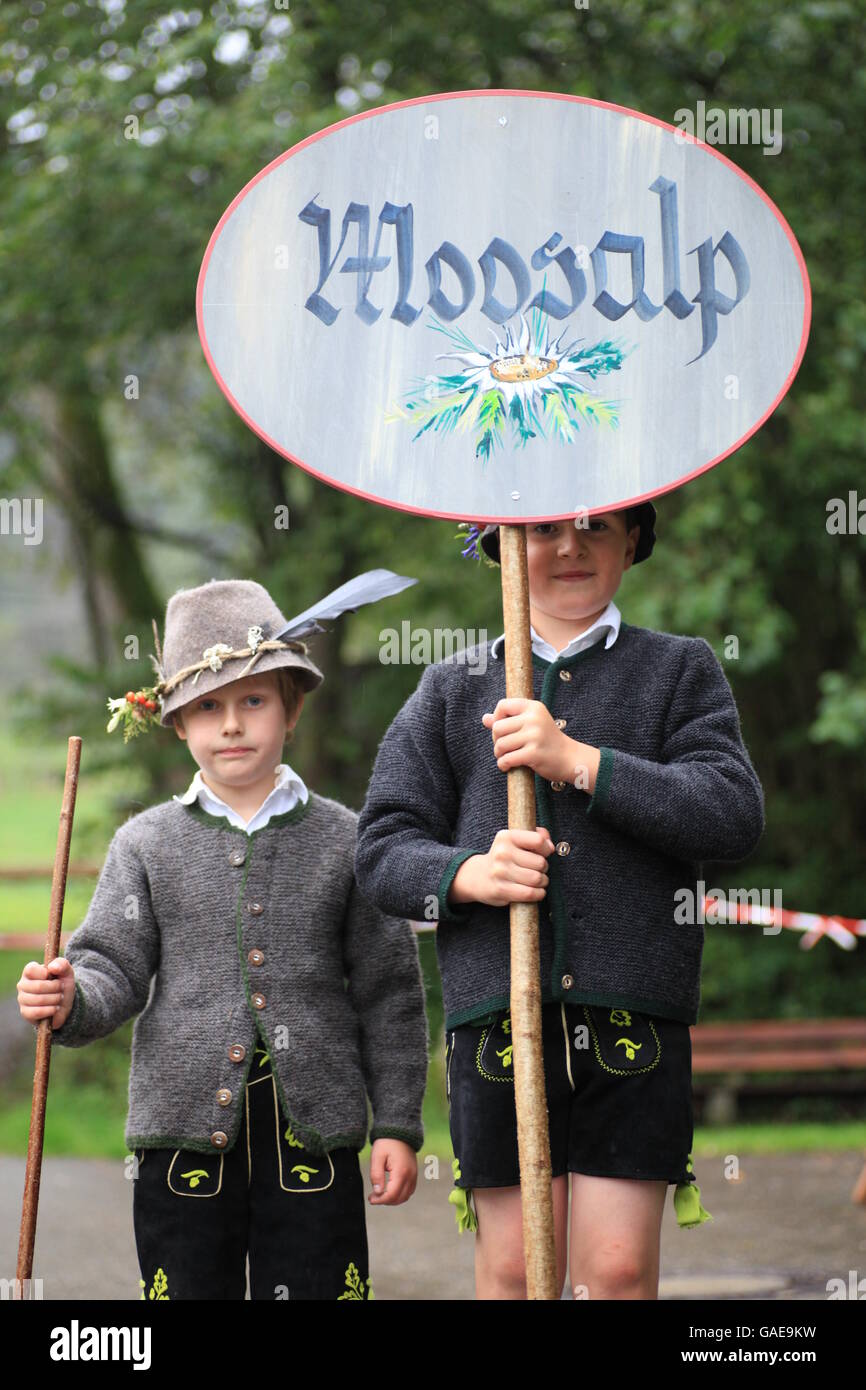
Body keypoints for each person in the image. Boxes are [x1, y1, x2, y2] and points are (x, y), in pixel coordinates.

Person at [354, 505, 765, 1300]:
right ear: (500, 545)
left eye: (599, 526)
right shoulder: (450, 687)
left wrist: (579, 762)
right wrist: (469, 875)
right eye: (543, 530)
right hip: (496, 1024)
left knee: (614, 1272)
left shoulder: (679, 669)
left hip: (633, 1019)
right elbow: (382, 847)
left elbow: (731, 812)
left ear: (634, 540)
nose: (571, 545)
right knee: (514, 1271)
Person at [17, 578, 428, 1301]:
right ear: (177, 722)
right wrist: (69, 995)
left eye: (253, 701)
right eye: (207, 706)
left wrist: (396, 1121)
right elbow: (111, 966)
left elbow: (390, 992)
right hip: (180, 1143)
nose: (231, 724)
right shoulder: (145, 845)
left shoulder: (348, 841)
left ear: (291, 708)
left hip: (316, 1141)